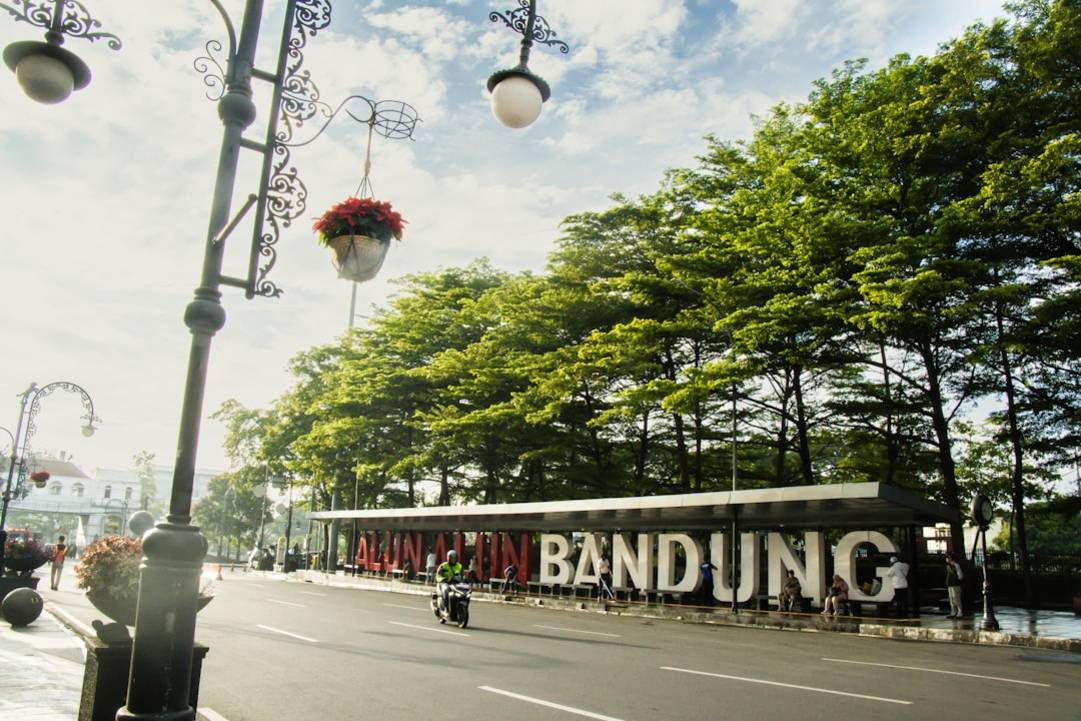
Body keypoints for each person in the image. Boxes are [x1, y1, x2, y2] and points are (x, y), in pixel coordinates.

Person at [945, 553, 964, 618]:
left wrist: (957, 580)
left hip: (955, 585)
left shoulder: (956, 565)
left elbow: (960, 575)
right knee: (951, 599)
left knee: (957, 598)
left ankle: (959, 612)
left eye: (947, 558)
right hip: (950, 584)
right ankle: (953, 612)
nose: (946, 559)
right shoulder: (948, 566)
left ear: (950, 558)